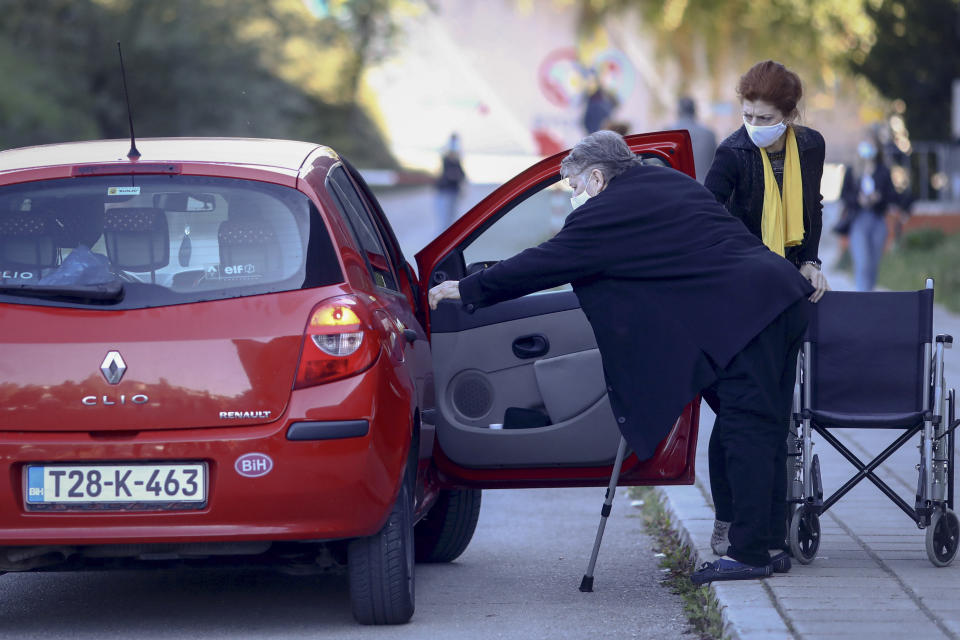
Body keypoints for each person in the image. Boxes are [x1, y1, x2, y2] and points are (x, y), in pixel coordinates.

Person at [428, 130, 815, 583]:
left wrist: (466, 287)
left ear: (596, 177)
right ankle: (767, 544)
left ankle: (749, 553)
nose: (573, 196)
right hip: (783, 299)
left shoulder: (605, 213)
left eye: (573, 186)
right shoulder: (671, 183)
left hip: (746, 315)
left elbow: (545, 262)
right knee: (765, 424)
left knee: (746, 427)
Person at [703, 60, 829, 558]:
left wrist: (812, 260)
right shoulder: (732, 152)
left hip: (787, 296)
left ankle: (767, 526)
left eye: (764, 118)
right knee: (737, 413)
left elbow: (812, 206)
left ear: (790, 115)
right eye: (748, 115)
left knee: (771, 413)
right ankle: (728, 519)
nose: (753, 127)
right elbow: (708, 219)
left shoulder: (812, 146)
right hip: (739, 295)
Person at [841, 139, 898, 291]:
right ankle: (862, 295)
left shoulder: (883, 171)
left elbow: (892, 195)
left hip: (878, 220)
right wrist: (858, 199)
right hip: (858, 220)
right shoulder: (852, 171)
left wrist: (878, 197)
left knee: (873, 262)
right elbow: (844, 196)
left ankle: (869, 292)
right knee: (862, 261)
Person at [668, 96, 717, 183]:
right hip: (704, 189)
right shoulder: (709, 134)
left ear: (678, 111)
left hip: (675, 190)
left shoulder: (667, 133)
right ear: (694, 111)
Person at [435, 133, 466, 231]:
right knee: (445, 219)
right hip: (445, 192)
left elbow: (461, 175)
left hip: (452, 191)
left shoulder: (457, 159)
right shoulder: (446, 158)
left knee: (451, 218)